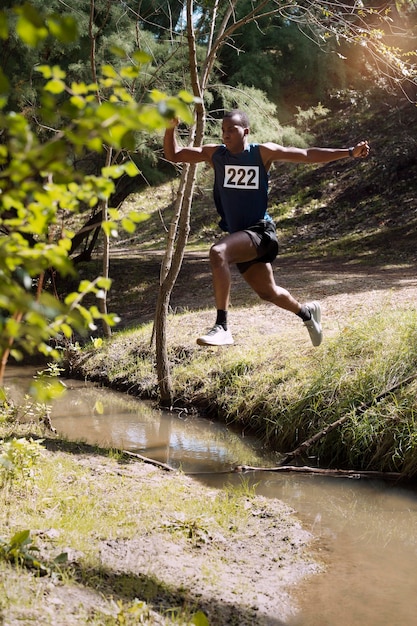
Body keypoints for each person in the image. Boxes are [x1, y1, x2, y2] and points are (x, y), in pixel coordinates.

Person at [164, 109, 370, 347]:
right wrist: (170, 127)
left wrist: (348, 153)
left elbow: (306, 154)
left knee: (218, 252)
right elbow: (174, 154)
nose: (226, 134)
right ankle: (307, 313)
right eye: (223, 130)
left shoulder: (262, 153)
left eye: (232, 129)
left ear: (246, 131)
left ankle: (222, 326)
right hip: (241, 237)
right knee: (268, 292)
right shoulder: (216, 155)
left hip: (261, 232)